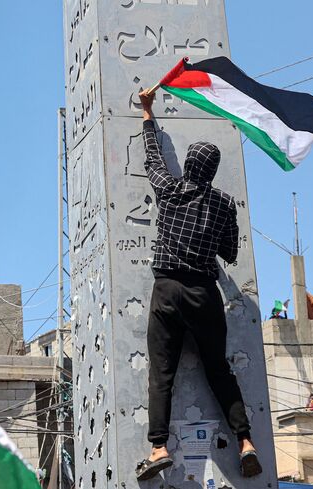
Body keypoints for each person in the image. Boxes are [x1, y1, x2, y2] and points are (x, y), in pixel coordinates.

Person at [133, 90, 261, 482]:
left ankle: (158, 448)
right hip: (205, 294)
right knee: (219, 371)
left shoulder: (170, 191)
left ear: (189, 165)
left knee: (162, 373)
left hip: (168, 291)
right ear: (214, 169)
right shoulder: (224, 205)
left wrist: (148, 111)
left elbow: (153, 158)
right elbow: (230, 253)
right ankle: (245, 443)